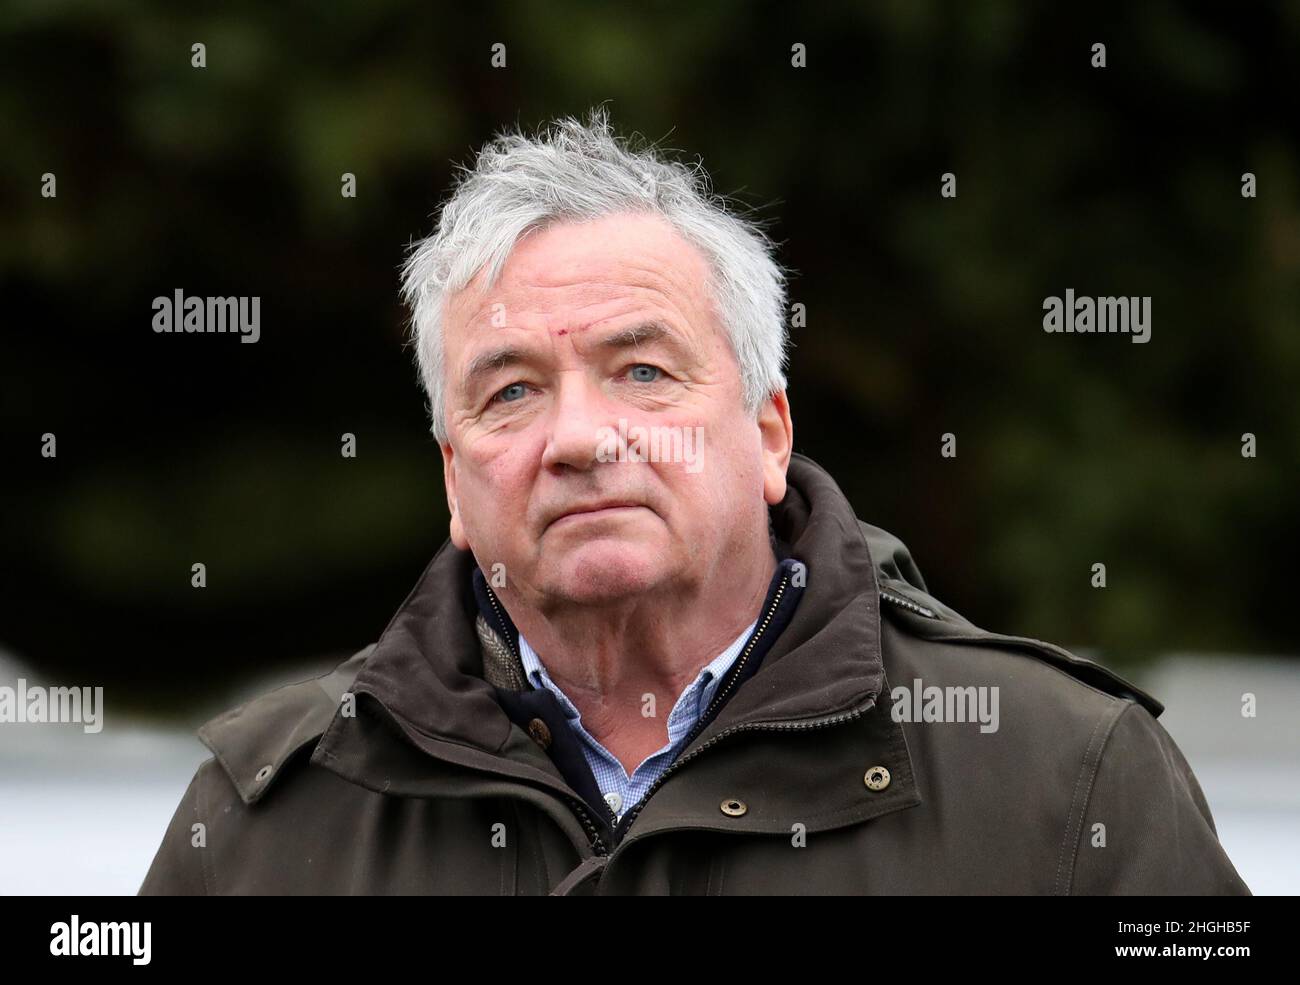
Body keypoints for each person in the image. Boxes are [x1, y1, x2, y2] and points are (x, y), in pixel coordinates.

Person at [139, 108, 1249, 895]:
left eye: (643, 371)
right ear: (453, 482)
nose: (578, 438)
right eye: (512, 389)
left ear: (768, 433)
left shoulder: (1066, 777)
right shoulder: (264, 820)